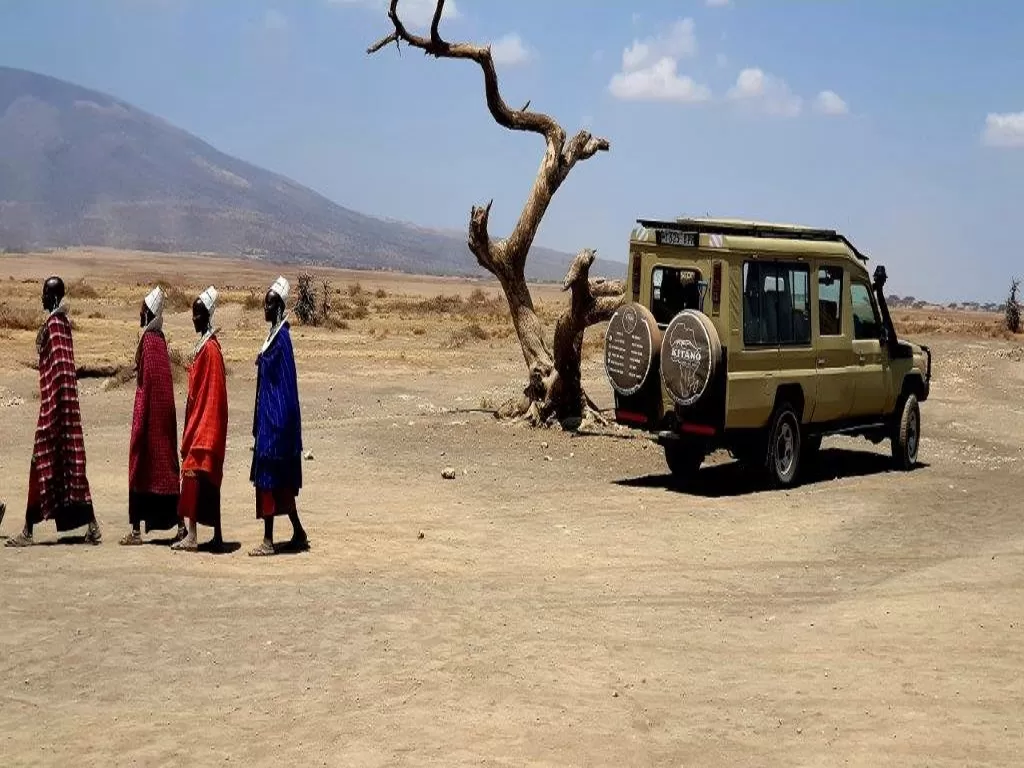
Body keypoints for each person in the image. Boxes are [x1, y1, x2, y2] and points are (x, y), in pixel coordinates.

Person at [7, 276, 102, 547]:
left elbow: (59, 372)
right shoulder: (63, 325)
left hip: (56, 410)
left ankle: (27, 531)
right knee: (71, 469)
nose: (41, 298)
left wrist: (51, 411)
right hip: (68, 410)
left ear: (54, 297)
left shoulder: (54, 326)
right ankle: (92, 526)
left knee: (42, 465)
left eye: (45, 294)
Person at [121, 286, 186, 545]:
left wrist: (140, 420)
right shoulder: (158, 339)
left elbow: (148, 386)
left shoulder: (149, 342)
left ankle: (136, 530)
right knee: (165, 471)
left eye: (142, 310)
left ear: (149, 313)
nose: (139, 314)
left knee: (140, 468)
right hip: (163, 419)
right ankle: (179, 524)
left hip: (150, 418)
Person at [248, 276, 308, 556]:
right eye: (264, 304)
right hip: (269, 421)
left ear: (280, 307)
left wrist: (277, 423)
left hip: (276, 422)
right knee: (277, 482)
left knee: (269, 481)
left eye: (269, 305)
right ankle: (298, 531)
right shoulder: (274, 336)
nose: (265, 309)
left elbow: (284, 385)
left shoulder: (282, 340)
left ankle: (269, 541)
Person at [172, 286, 228, 553]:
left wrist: (200, 425)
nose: (193, 319)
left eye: (197, 314)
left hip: (205, 424)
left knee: (197, 474)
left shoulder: (211, 351)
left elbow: (213, 394)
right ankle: (214, 534)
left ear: (207, 316)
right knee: (207, 480)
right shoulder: (205, 347)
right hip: (201, 421)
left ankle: (194, 535)